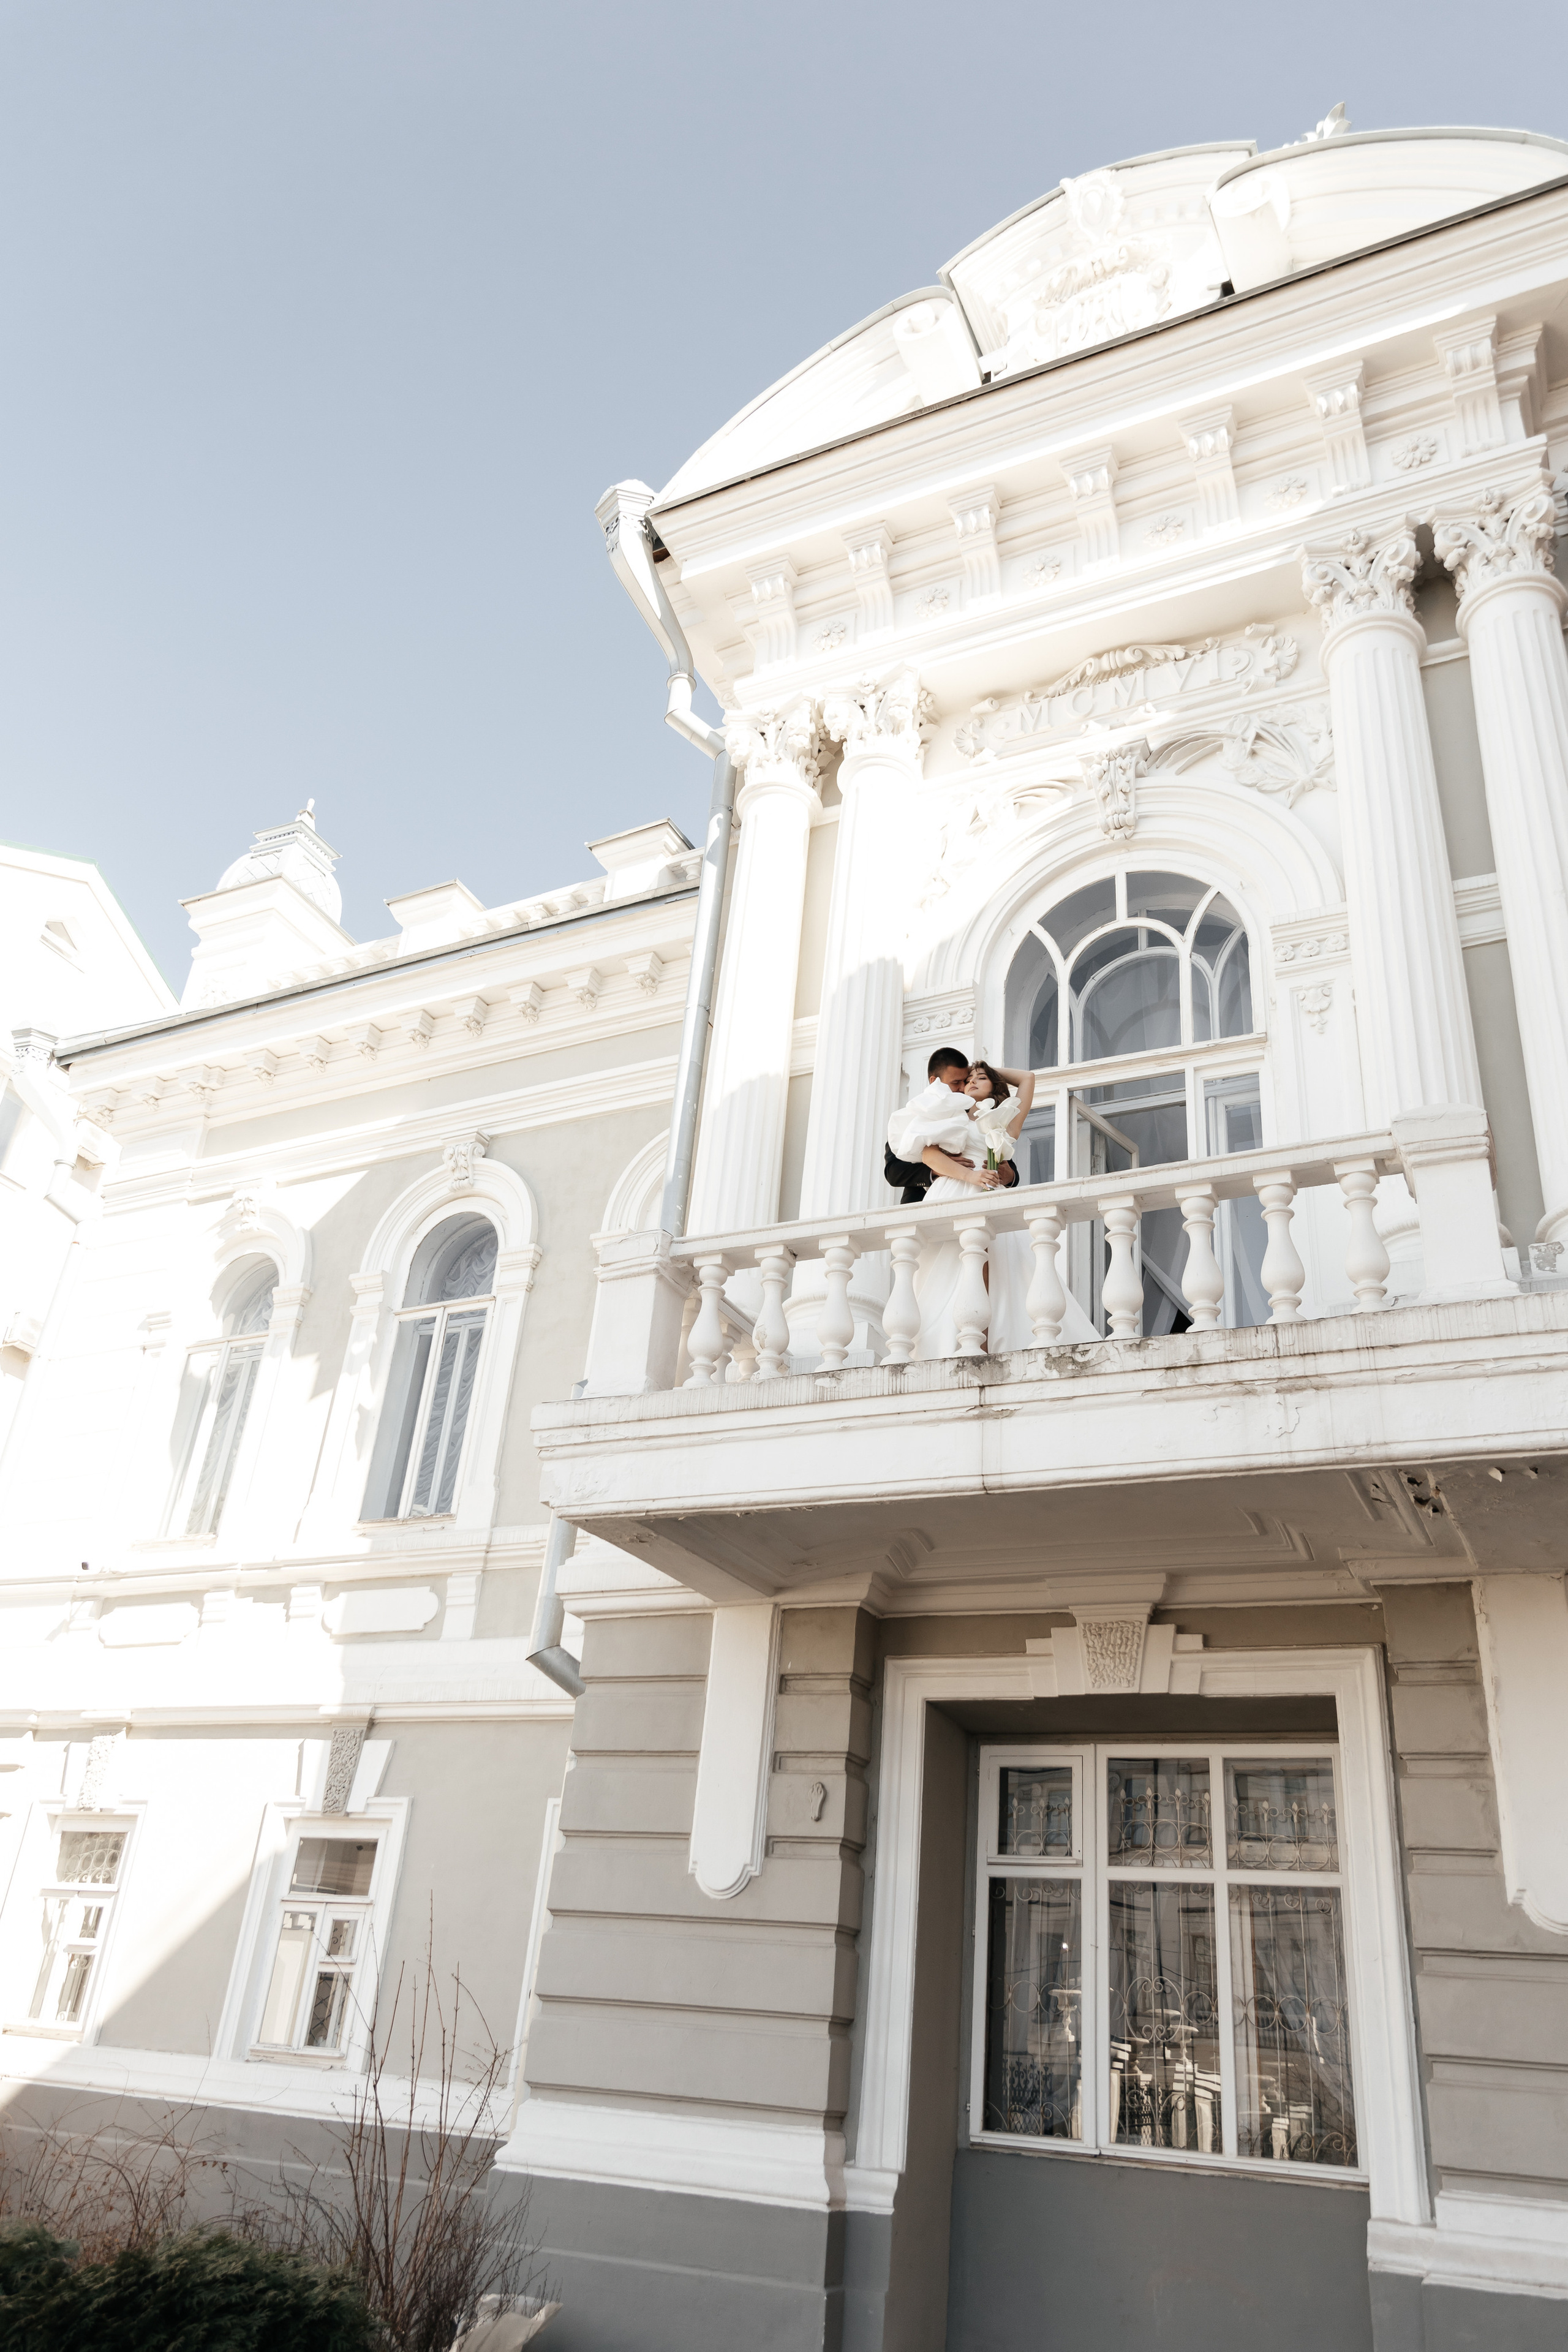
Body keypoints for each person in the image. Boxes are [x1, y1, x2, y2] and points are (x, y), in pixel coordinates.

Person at [892, 1055, 1096, 1356]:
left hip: (990, 1193)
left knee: (995, 1270)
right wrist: (969, 1175)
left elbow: (1027, 1078)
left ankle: (983, 1345)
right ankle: (944, 1346)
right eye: (966, 1079)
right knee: (947, 1271)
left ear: (995, 1088)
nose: (971, 1081)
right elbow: (929, 1157)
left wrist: (987, 1070)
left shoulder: (1003, 1122)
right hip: (954, 1190)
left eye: (979, 1079)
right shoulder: (949, 1114)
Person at [884, 1049, 1020, 1205]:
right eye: (956, 1082)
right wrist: (938, 1169)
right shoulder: (915, 1116)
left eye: (966, 1080)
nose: (963, 1088)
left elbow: (1006, 1163)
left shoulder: (977, 1114)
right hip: (928, 1199)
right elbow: (894, 1172)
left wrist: (985, 1071)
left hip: (985, 1192)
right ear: (934, 1081)